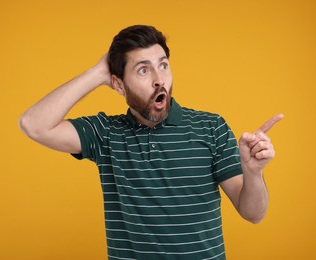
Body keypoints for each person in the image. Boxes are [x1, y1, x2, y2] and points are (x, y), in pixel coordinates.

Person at [19, 25, 283, 260]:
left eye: (163, 65)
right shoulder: (106, 133)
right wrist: (98, 72)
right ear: (118, 86)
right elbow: (34, 125)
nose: (159, 79)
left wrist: (253, 173)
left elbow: (253, 214)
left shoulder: (211, 127)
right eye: (143, 69)